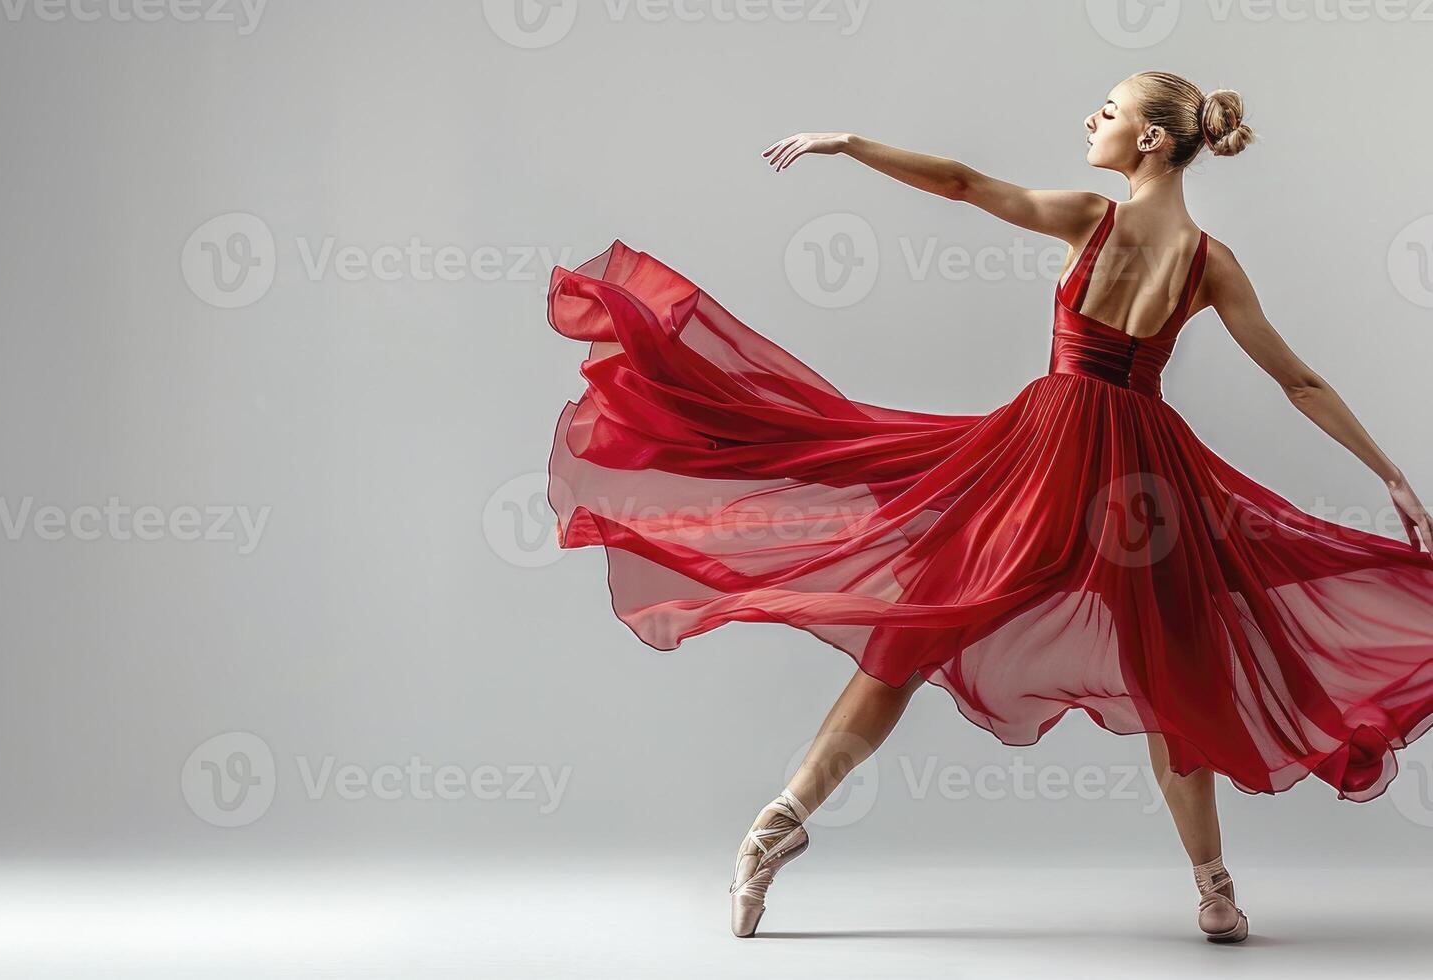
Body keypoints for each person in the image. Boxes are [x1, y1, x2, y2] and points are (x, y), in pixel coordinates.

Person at [542, 72, 1433, 943]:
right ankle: (1215, 893)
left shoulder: (1093, 220)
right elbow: (1299, 380)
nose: (1095, 117)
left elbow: (965, 186)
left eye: (1112, 111)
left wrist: (850, 144)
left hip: (1047, 453)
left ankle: (779, 822)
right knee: (1176, 675)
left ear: (1152, 140)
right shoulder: (1211, 264)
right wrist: (1389, 473)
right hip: (1142, 482)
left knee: (912, 635)